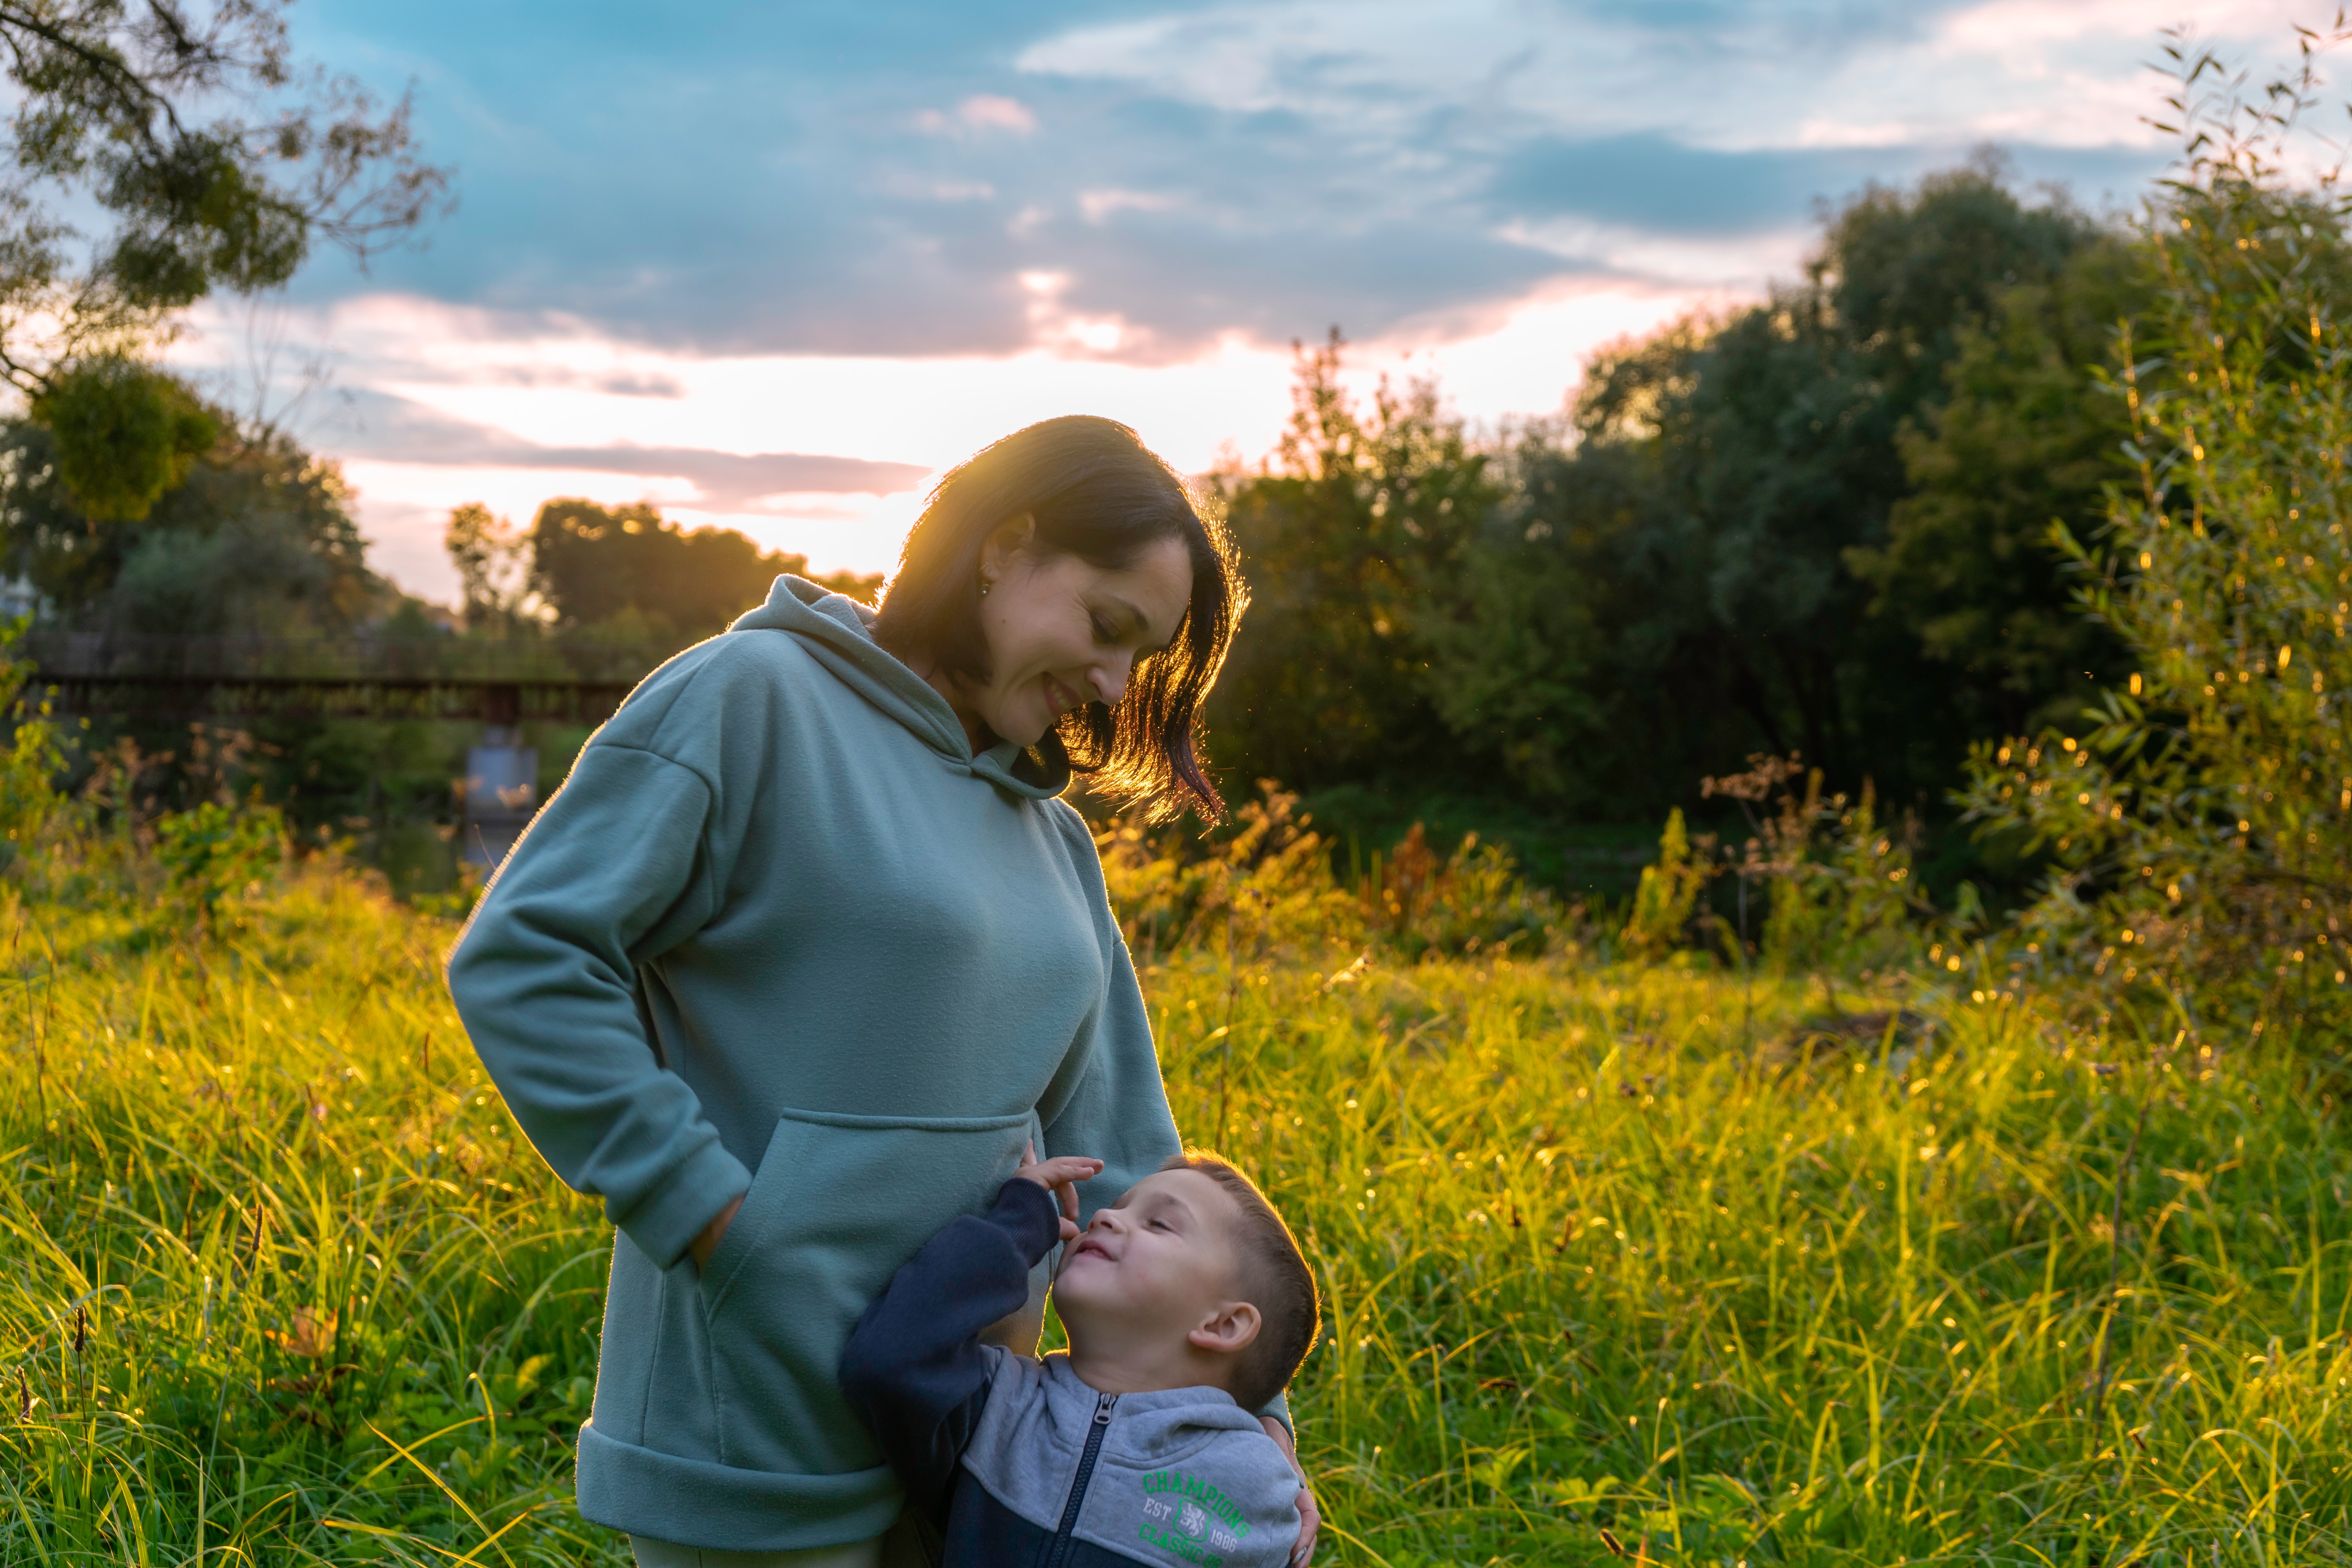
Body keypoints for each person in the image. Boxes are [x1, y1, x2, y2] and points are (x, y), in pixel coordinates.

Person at [444, 416, 1318, 1568]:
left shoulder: (1052, 837)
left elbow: (1118, 1143)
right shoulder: (749, 696)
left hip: (974, 1446)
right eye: (1107, 628)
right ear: (1004, 544)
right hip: (752, 1424)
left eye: (1138, 657)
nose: (1113, 683)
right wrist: (711, 1218)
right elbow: (528, 954)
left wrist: (1250, 1418)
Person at [840, 1147, 1320, 1568]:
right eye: (1115, 1207)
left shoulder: (1256, 1488)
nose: (1104, 1217)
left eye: (1158, 1223)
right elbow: (889, 1361)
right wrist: (1019, 1222)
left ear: (1224, 1325)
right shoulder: (997, 1405)